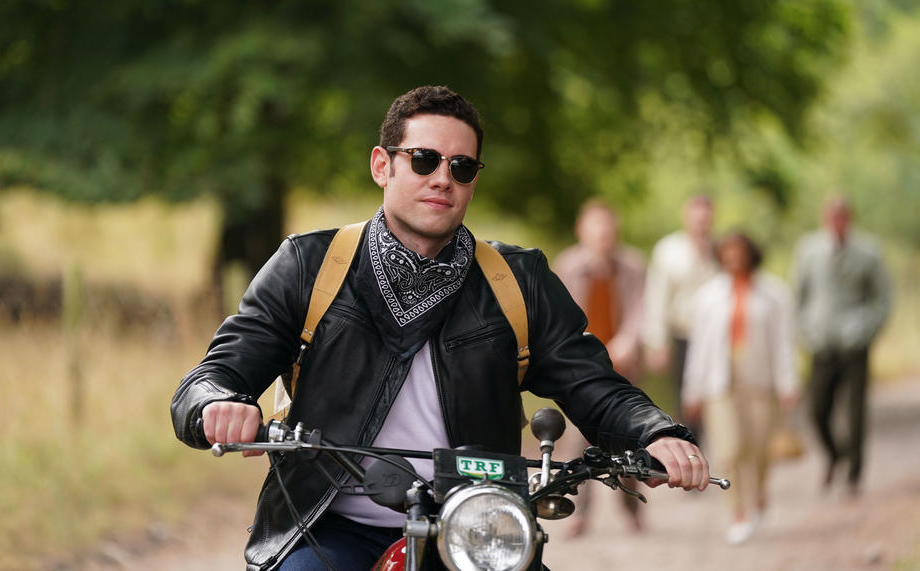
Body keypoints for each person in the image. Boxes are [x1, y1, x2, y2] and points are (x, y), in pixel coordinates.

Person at [171, 85, 709, 571]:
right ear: (382, 165)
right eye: (424, 159)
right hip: (326, 525)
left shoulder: (516, 280)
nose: (442, 179)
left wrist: (654, 431)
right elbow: (217, 371)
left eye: (462, 167)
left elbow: (591, 381)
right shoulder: (310, 265)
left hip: (478, 525)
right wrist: (217, 402)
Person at [682, 232, 799, 544]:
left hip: (761, 379)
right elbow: (700, 347)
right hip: (720, 381)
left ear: (751, 254)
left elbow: (784, 342)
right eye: (728, 252)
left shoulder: (775, 293)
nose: (733, 258)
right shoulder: (708, 296)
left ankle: (759, 495)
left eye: (739, 251)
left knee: (760, 448)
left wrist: (789, 382)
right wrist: (692, 390)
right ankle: (738, 513)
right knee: (729, 449)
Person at [552, 199, 648, 536]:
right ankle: (578, 513)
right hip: (582, 367)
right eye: (597, 228)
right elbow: (561, 317)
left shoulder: (633, 265)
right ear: (583, 231)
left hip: (623, 368)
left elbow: (640, 310)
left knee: (624, 443)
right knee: (578, 442)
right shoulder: (567, 265)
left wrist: (626, 340)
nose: (604, 235)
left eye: (608, 228)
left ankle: (632, 505)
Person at [793, 195, 891, 497]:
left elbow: (882, 299)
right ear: (824, 218)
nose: (837, 222)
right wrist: (805, 331)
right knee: (818, 409)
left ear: (849, 218)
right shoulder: (808, 250)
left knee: (855, 411)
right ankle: (835, 454)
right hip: (821, 344)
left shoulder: (869, 252)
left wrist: (866, 329)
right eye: (831, 216)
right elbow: (799, 296)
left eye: (842, 216)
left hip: (855, 345)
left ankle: (854, 474)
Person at [642, 194, 717, 429]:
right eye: (697, 217)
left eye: (705, 218)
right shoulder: (668, 250)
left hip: (712, 339)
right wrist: (657, 342)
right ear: (686, 216)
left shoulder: (718, 250)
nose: (701, 223)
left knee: (708, 402)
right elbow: (657, 296)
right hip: (680, 336)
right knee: (680, 402)